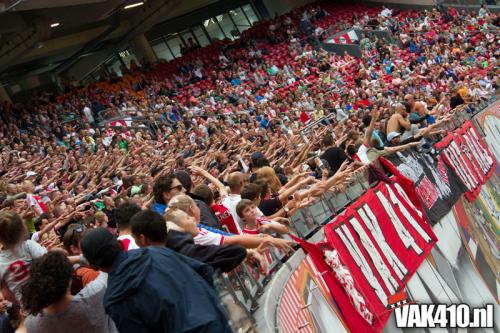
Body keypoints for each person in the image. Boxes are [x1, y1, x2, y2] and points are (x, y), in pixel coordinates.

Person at [80, 228, 232, 333]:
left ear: (94, 265)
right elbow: (205, 271)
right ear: (119, 244)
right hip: (216, 323)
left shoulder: (115, 301)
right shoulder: (157, 252)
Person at [21, 251, 117, 333]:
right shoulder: (93, 297)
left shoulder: (32, 324)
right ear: (70, 280)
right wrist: (76, 258)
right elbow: (109, 269)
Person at [0, 211, 46, 304]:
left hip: (29, 307)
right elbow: (50, 263)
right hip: (47, 297)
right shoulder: (28, 245)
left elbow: (7, 294)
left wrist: (22, 303)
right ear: (22, 229)